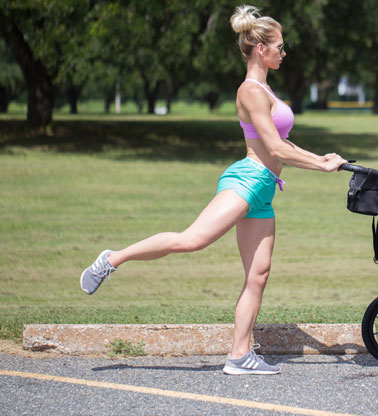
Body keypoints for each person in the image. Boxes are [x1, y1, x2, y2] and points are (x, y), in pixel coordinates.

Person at [79, 4, 347, 375]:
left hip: (264, 188)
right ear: (260, 49)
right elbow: (273, 148)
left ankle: (239, 356)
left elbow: (283, 142)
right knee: (191, 240)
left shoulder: (266, 88)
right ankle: (112, 259)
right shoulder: (251, 91)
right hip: (248, 180)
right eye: (280, 47)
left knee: (259, 273)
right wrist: (320, 164)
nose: (284, 53)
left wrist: (321, 156)